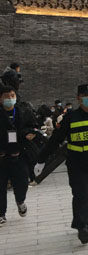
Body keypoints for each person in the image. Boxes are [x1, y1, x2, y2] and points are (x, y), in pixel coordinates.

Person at [35, 84, 88, 244]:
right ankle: (82, 226)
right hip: (77, 163)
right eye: (86, 95)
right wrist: (41, 159)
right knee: (81, 193)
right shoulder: (71, 117)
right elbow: (55, 140)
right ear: (78, 98)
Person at [0, 86, 35, 225]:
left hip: (19, 154)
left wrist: (31, 134)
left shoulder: (23, 112)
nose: (10, 99)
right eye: (6, 96)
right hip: (2, 156)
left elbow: (33, 126)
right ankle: (1, 214)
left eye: (12, 96)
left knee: (22, 183)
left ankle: (20, 201)